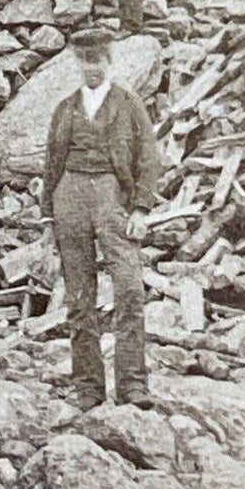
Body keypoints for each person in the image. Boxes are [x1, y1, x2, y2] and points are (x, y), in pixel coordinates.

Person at [41, 28, 164, 410]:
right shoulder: (65, 108)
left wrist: (141, 209)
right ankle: (88, 389)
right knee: (80, 298)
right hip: (70, 197)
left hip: (113, 197)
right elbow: (51, 164)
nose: (91, 68)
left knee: (129, 289)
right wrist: (48, 218)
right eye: (84, 61)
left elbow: (148, 158)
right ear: (76, 63)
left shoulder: (128, 104)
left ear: (109, 61)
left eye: (97, 61)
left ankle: (132, 385)